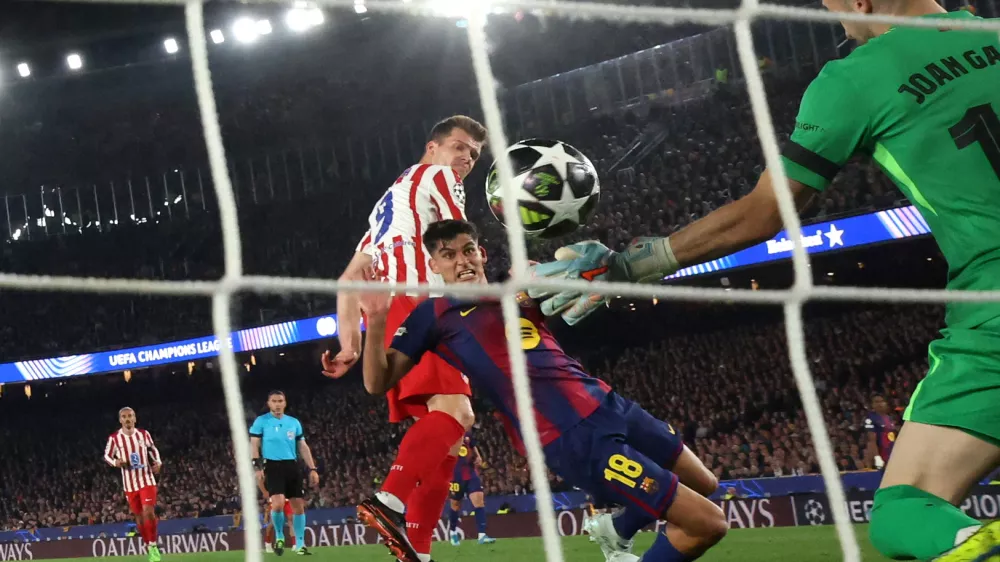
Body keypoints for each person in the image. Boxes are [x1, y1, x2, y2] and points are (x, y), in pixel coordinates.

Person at [527, 1, 1000, 560]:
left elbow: (764, 214)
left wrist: (630, 265)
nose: (835, 19)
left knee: (906, 511)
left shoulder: (856, 79)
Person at [358, 220, 723, 562]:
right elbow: (378, 382)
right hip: (569, 436)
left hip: (609, 403)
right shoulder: (433, 314)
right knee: (709, 523)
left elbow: (577, 282)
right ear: (434, 265)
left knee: (705, 483)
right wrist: (375, 322)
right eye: (448, 255)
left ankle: (618, 528)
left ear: (482, 253)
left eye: (468, 250)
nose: (462, 261)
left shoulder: (521, 286)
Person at [322, 115, 487, 562]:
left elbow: (347, 281)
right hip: (423, 302)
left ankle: (419, 548)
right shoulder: (437, 176)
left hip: (395, 311)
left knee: (447, 437)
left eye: (473, 154)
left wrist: (351, 346)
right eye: (459, 147)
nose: (466, 160)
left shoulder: (385, 208)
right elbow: (460, 243)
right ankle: (388, 500)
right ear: (431, 147)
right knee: (459, 410)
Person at [249, 391, 320, 556]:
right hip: (272, 466)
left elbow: (303, 446)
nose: (277, 404)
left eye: (280, 401)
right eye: (274, 401)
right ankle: (280, 535)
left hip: (291, 465)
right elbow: (254, 445)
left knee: (298, 507)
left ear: (285, 403)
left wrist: (312, 469)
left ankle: (300, 544)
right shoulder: (261, 422)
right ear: (269, 403)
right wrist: (257, 466)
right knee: (278, 503)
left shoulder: (293, 423)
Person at [103, 407, 163, 562]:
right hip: (129, 484)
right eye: (124, 417)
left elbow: (152, 449)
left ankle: (154, 545)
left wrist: (158, 462)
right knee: (139, 516)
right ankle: (148, 545)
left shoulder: (144, 434)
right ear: (120, 420)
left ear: (135, 418)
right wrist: (117, 462)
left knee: (148, 511)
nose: (128, 419)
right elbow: (107, 456)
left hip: (146, 479)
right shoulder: (115, 438)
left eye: (130, 416)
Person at [447, 429, 496, 546]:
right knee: (455, 506)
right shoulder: (445, 433)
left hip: (470, 473)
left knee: (479, 502)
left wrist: (478, 457)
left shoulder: (466, 433)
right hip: (454, 476)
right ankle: (453, 532)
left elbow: (473, 446)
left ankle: (482, 535)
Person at [257, 475, 295, 554]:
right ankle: (268, 543)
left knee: (291, 521)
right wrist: (265, 492)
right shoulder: (269, 470)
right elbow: (260, 481)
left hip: (286, 500)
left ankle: (294, 544)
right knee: (272, 524)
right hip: (275, 500)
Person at [864, 394, 897, 470]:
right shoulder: (871, 419)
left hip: (891, 454)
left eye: (882, 401)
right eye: (876, 402)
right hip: (882, 455)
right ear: (873, 405)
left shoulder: (889, 418)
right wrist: (877, 457)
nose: (880, 404)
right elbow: (871, 440)